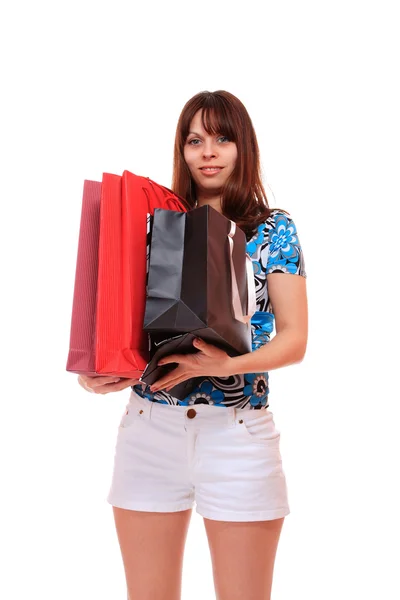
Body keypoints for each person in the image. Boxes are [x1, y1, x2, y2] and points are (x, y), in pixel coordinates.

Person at [78, 90, 308, 600]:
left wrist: (231, 361)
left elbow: (294, 340)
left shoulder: (273, 229)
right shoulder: (152, 223)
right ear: (182, 150)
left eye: (222, 138)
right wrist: (100, 371)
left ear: (242, 146)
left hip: (238, 432)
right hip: (148, 430)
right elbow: (128, 326)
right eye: (195, 140)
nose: (208, 151)